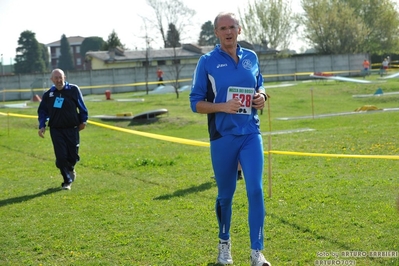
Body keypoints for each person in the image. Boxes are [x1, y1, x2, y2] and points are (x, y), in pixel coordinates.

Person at [189, 12, 271, 266]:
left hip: (250, 133)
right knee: (226, 195)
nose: (228, 32)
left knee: (255, 190)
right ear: (216, 33)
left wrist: (263, 97)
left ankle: (257, 252)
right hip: (222, 136)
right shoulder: (207, 62)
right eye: (222, 28)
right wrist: (223, 107)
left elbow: (260, 85)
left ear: (239, 30)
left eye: (232, 27)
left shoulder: (251, 57)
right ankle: (224, 243)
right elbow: (196, 104)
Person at [37, 68, 88, 190]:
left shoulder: (73, 90)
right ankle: (67, 181)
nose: (59, 80)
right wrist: (42, 125)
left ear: (64, 77)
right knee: (60, 156)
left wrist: (84, 121)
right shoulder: (48, 95)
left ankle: (70, 168)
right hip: (56, 130)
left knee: (73, 155)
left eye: (60, 77)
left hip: (72, 128)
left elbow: (82, 106)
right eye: (56, 78)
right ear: (52, 80)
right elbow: (42, 111)